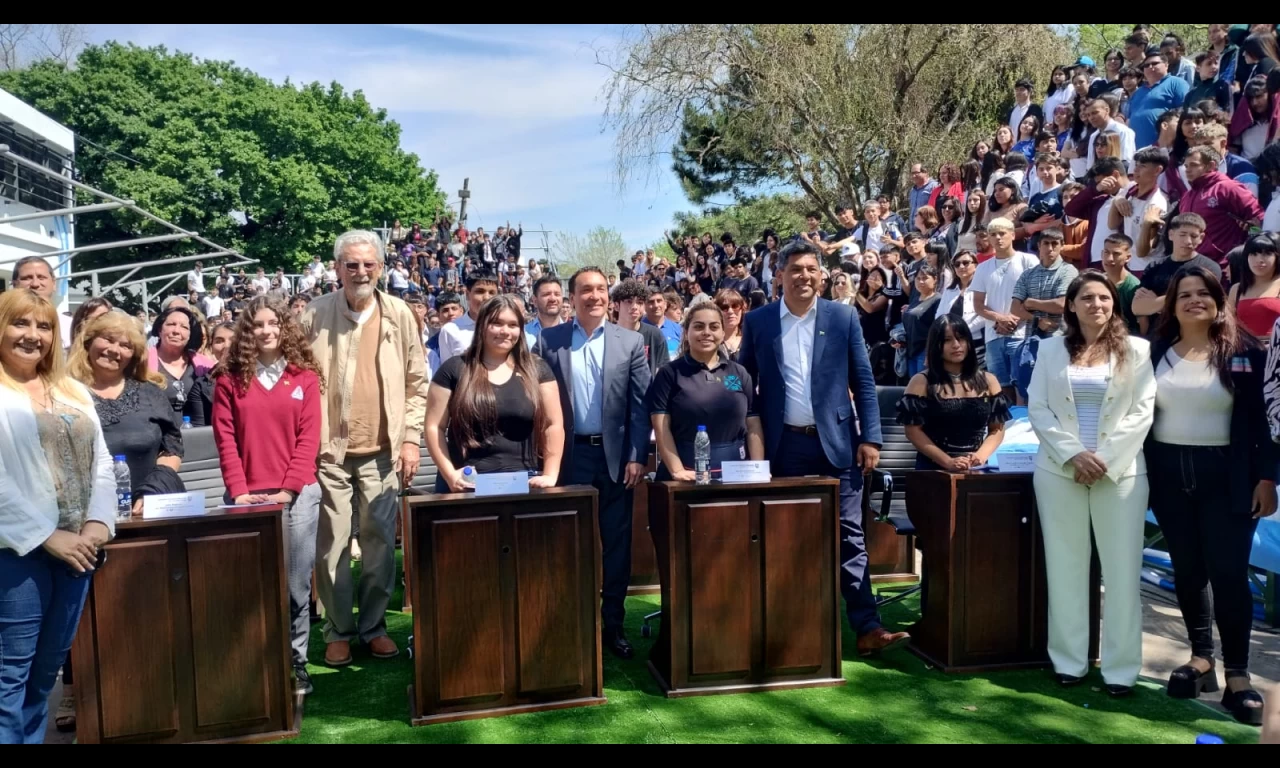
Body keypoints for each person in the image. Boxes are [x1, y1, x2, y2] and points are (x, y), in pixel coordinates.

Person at [739, 240, 906, 657]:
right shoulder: (758, 322)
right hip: (784, 446)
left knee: (850, 536)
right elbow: (741, 379)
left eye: (812, 269)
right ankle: (792, 625)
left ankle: (867, 627)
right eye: (796, 269)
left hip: (839, 446)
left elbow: (864, 382)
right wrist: (731, 409)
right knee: (787, 534)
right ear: (779, 275)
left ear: (822, 275)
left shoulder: (843, 316)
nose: (804, 276)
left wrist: (871, 437)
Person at [300, 230, 428, 667]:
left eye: (368, 264)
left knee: (377, 545)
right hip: (328, 451)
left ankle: (373, 628)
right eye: (351, 264)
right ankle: (339, 630)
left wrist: (411, 439)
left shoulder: (399, 314)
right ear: (336, 268)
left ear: (380, 267)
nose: (360, 272)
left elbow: (417, 382)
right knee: (332, 545)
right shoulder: (313, 315)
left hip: (384, 450)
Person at [1153, 266, 1274, 724]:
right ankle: (1201, 659)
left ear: (1219, 299)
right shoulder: (1156, 351)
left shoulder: (1245, 351)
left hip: (1227, 477)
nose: (1194, 301)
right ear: (1173, 304)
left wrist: (1267, 478)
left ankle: (1238, 676)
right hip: (1168, 476)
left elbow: (1264, 422)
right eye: (1184, 294)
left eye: (1204, 293)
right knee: (1188, 571)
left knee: (1228, 574)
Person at [1027, 272, 1155, 698]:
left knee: (1121, 573)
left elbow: (1142, 412)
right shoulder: (1048, 350)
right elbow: (1039, 408)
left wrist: (1103, 459)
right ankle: (1069, 661)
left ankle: (1120, 670)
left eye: (1104, 297)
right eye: (1087, 298)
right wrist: (1073, 455)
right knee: (1064, 567)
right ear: (1071, 304)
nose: (1096, 304)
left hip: (1118, 474)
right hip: (1059, 471)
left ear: (1114, 304)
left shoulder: (1138, 350)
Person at [0, 290, 116, 744]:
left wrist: (96, 526)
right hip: (18, 555)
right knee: (9, 679)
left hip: (78, 553)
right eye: (20, 324)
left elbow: (101, 462)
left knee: (45, 675)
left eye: (44, 327)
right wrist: (47, 536)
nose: (33, 336)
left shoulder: (71, 389)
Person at [210, 295, 323, 695]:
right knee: (250, 586)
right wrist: (239, 492)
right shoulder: (229, 378)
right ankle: (251, 663)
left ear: (285, 327)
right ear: (247, 330)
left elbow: (309, 439)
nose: (265, 330)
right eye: (257, 324)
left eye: (273, 323)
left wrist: (287, 490)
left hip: (297, 495)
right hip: (246, 498)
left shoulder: (305, 377)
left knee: (294, 586)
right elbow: (224, 439)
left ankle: (297, 661)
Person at [537, 267, 652, 660]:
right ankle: (570, 624)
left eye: (601, 289)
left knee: (616, 546)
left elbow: (640, 406)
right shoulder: (549, 341)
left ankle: (613, 627)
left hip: (616, 459)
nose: (595, 296)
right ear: (572, 297)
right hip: (569, 457)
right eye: (586, 290)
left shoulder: (631, 341)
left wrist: (637, 456)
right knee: (567, 544)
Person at [425, 293, 564, 495]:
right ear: (482, 326)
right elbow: (433, 426)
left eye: (513, 325)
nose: (505, 331)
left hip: (525, 483)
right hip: (465, 484)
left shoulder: (537, 369)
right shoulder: (454, 369)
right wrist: (449, 474)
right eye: (497, 323)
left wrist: (551, 474)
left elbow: (553, 424)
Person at [648, 302, 764, 484]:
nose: (706, 332)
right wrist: (677, 470)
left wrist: (758, 470)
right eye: (699, 326)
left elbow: (753, 424)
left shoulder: (739, 373)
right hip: (686, 474)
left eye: (714, 327)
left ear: (723, 332)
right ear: (686, 332)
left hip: (735, 474)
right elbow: (661, 427)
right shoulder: (669, 374)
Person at [898, 315, 1009, 471]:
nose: (956, 345)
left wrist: (980, 456)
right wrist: (948, 462)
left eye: (961, 338)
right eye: (947, 340)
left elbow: (997, 429)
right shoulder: (921, 381)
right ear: (936, 345)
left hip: (975, 468)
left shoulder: (989, 381)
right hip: (933, 469)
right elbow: (913, 431)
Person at [972, 218, 1038, 402]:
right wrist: (999, 318)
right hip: (993, 337)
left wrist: (1012, 320)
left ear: (1012, 235)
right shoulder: (983, 267)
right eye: (993, 234)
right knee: (1000, 389)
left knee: (1023, 387)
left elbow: (1035, 297)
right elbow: (978, 304)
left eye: (1002, 233)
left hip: (1021, 334)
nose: (998, 238)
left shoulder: (1028, 260)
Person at [147, 306, 216, 426]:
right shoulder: (141, 363)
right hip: (158, 437)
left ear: (190, 334)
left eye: (184, 327)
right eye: (171, 324)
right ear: (159, 329)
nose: (176, 331)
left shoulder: (206, 366)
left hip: (198, 437)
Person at [10, 256, 73, 350]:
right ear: (15, 285)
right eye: (27, 278)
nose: (35, 284)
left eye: (42, 277)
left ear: (54, 283)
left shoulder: (71, 326)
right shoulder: (4, 322)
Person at [612, 280, 670, 375]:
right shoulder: (607, 336)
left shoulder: (655, 335)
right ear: (617, 306)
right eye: (629, 301)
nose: (634, 306)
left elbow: (663, 370)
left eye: (639, 302)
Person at [1231, 234, 1280, 342]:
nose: (1259, 260)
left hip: (1276, 351)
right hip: (1244, 351)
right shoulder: (1237, 289)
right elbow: (1228, 324)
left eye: (1267, 253)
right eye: (1253, 254)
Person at [902, 265, 942, 377]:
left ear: (935, 279)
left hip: (925, 351)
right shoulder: (915, 300)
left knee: (923, 386)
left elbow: (937, 328)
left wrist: (929, 354)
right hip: (911, 350)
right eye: (918, 278)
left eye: (925, 278)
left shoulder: (938, 300)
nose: (921, 281)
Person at [715, 288, 747, 360]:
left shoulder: (750, 340)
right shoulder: (712, 342)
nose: (730, 311)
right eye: (724, 307)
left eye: (735, 306)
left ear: (742, 310)